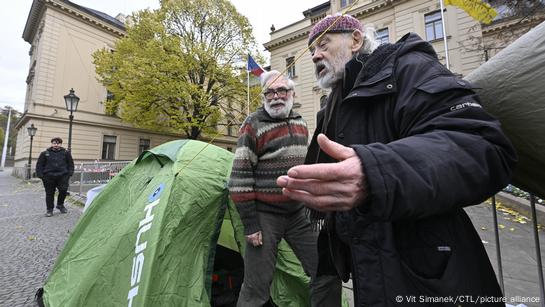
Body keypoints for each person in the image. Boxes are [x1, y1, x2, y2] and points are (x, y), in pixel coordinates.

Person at [276, 14, 517, 306]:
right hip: (367, 270)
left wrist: (375, 172)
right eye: (313, 49)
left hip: (430, 275)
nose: (315, 55)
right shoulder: (332, 105)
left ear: (355, 39)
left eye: (323, 44)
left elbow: (482, 146)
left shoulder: (410, 68)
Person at [228, 70, 341, 307]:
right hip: (264, 215)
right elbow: (239, 176)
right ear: (263, 97)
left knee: (326, 270)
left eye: (281, 91)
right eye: (270, 92)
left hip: (298, 213)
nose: (276, 96)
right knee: (256, 286)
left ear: (292, 93)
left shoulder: (300, 122)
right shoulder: (252, 124)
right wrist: (251, 224)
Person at [36, 137, 74, 217]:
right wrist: (41, 175)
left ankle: (60, 205)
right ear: (52, 144)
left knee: (63, 190)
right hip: (49, 177)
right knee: (49, 193)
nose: (56, 145)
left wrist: (69, 173)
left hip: (62, 176)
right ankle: (49, 209)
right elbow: (39, 165)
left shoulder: (66, 153)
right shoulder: (45, 153)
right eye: (54, 143)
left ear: (60, 144)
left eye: (58, 143)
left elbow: (70, 163)